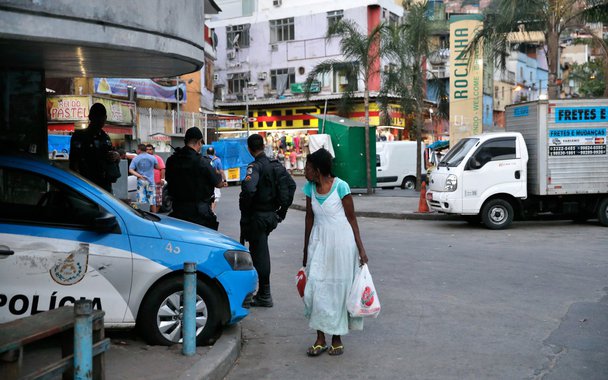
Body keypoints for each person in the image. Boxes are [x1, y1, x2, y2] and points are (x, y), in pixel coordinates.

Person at [302, 148, 368, 357]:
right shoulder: (309, 188)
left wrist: (361, 248)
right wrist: (305, 249)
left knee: (338, 291)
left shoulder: (341, 186)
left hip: (342, 245)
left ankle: (336, 338)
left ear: (318, 170)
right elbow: (309, 219)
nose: (305, 171)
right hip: (319, 243)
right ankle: (320, 339)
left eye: (308, 168)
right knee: (316, 289)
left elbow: (352, 218)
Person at [239, 134, 296, 308]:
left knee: (259, 253)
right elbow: (291, 186)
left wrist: (245, 209)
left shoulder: (254, 166)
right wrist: (282, 212)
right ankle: (263, 292)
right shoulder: (275, 166)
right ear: (263, 146)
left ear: (249, 149)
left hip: (258, 216)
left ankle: (264, 294)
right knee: (259, 250)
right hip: (271, 215)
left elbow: (249, 189)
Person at [165, 127, 223, 230]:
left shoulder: (171, 160)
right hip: (199, 214)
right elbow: (218, 183)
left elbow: (168, 180)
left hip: (178, 211)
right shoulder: (202, 161)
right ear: (199, 142)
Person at [69, 103, 120, 192]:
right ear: (90, 117)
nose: (100, 120)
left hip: (104, 186)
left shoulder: (105, 137)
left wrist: (116, 156)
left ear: (105, 118)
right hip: (86, 185)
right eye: (97, 117)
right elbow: (74, 162)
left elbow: (112, 157)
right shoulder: (80, 136)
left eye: (102, 117)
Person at [129, 144, 159, 212]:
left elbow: (131, 170)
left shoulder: (135, 158)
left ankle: (143, 216)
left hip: (141, 181)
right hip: (150, 181)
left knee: (141, 200)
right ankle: (154, 216)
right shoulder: (153, 157)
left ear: (139, 150)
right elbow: (157, 167)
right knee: (152, 200)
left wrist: (139, 175)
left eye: (137, 149)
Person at [206, 146, 225, 214]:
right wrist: (224, 180)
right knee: (216, 196)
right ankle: (212, 211)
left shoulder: (203, 159)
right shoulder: (217, 160)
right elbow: (221, 171)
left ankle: (208, 209)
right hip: (215, 180)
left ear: (206, 152)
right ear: (214, 152)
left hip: (206, 181)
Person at [147, 144, 166, 213]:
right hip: (147, 183)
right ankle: (151, 215)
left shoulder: (157, 158)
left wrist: (162, 179)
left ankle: (155, 215)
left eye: (150, 149)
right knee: (150, 201)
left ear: (153, 150)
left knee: (158, 201)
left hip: (157, 182)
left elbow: (163, 169)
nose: (148, 151)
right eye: (147, 150)